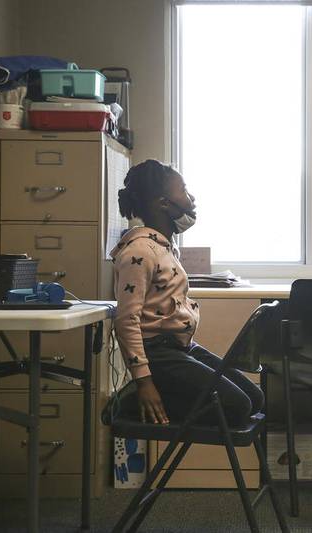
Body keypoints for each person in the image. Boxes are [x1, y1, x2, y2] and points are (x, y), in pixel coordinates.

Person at [111, 159, 263, 428]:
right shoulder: (140, 252)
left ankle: (169, 395)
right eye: (183, 190)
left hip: (181, 347)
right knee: (238, 407)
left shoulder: (165, 248)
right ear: (163, 203)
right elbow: (126, 320)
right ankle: (132, 401)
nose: (191, 198)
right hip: (157, 354)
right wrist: (143, 381)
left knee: (255, 398)